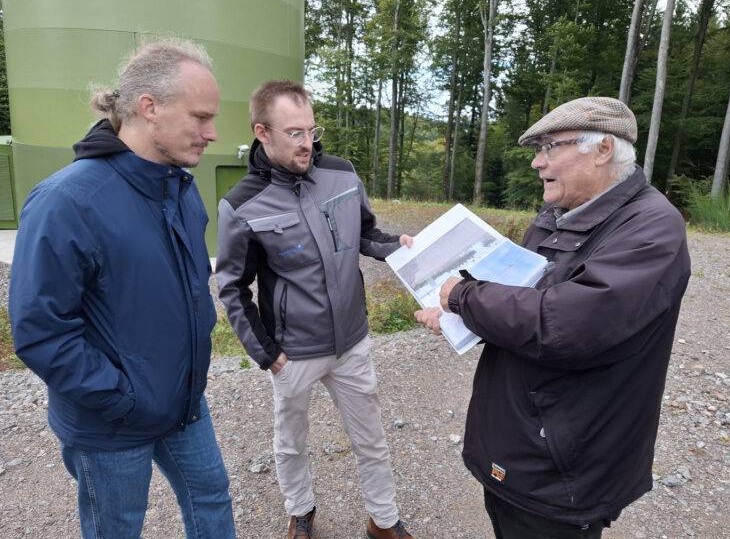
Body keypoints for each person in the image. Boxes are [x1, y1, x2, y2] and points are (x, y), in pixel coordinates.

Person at [415, 97, 691, 538]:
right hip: (518, 442)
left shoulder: (651, 227)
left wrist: (463, 296)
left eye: (549, 147)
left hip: (567, 464)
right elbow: (523, 300)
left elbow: (568, 324)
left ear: (602, 150)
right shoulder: (555, 216)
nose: (536, 162)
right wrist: (457, 308)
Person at [9, 39, 236, 539]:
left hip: (183, 403)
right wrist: (121, 399)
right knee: (117, 528)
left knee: (212, 499)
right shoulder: (67, 201)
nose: (212, 133)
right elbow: (40, 331)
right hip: (111, 419)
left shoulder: (179, 187)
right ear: (148, 108)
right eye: (199, 117)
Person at [216, 80, 415, 539]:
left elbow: (366, 234)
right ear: (262, 132)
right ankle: (301, 511)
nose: (308, 142)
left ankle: (383, 522)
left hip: (352, 342)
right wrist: (268, 354)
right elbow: (232, 287)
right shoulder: (243, 204)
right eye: (294, 133)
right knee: (290, 443)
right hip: (294, 351)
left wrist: (398, 248)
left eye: (311, 129)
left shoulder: (342, 174)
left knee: (372, 440)